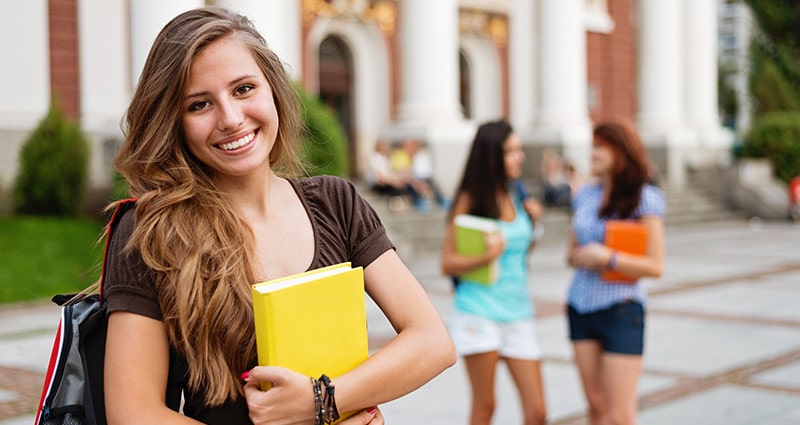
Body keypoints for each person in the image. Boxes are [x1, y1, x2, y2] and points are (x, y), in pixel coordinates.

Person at [102, 7, 456, 425]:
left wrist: (323, 401)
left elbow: (432, 341)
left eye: (243, 88)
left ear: (273, 89)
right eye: (199, 104)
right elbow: (132, 412)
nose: (231, 119)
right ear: (173, 123)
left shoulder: (335, 202)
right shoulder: (150, 231)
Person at [440, 120, 546, 425]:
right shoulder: (470, 200)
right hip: (479, 311)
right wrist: (487, 254)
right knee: (485, 406)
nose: (519, 157)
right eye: (511, 151)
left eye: (518, 150)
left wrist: (534, 228)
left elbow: (519, 255)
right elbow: (447, 262)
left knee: (537, 412)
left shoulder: (518, 195)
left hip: (518, 312)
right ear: (492, 155)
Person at [565, 120, 665, 425]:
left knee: (620, 416)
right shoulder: (584, 195)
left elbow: (656, 265)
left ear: (620, 151)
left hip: (621, 310)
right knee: (596, 407)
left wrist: (608, 257)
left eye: (599, 147)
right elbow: (570, 254)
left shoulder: (644, 197)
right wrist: (582, 256)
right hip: (580, 306)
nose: (592, 154)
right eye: (592, 147)